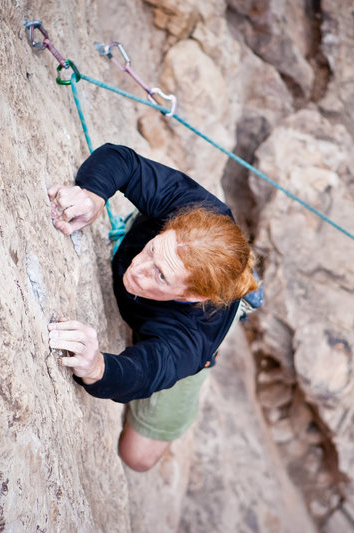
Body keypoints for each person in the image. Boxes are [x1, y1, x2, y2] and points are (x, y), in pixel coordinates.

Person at [46, 143, 258, 472]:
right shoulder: (195, 211)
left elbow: (147, 371)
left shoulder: (190, 339)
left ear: (191, 297)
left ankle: (238, 296)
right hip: (187, 269)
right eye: (152, 250)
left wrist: (97, 367)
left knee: (138, 457)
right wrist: (93, 194)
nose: (138, 268)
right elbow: (124, 161)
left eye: (160, 274)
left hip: (189, 337)